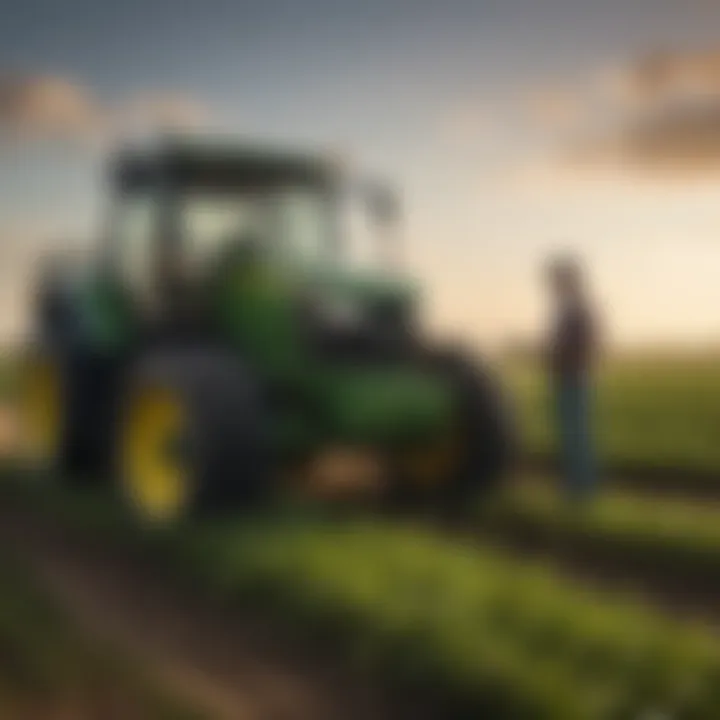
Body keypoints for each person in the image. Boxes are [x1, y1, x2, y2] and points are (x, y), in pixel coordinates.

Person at [546, 255, 600, 501]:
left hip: (574, 378)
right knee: (573, 434)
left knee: (576, 434)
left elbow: (583, 345)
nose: (553, 286)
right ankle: (576, 485)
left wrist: (563, 359)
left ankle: (580, 489)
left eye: (557, 280)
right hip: (569, 376)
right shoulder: (572, 309)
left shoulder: (577, 310)